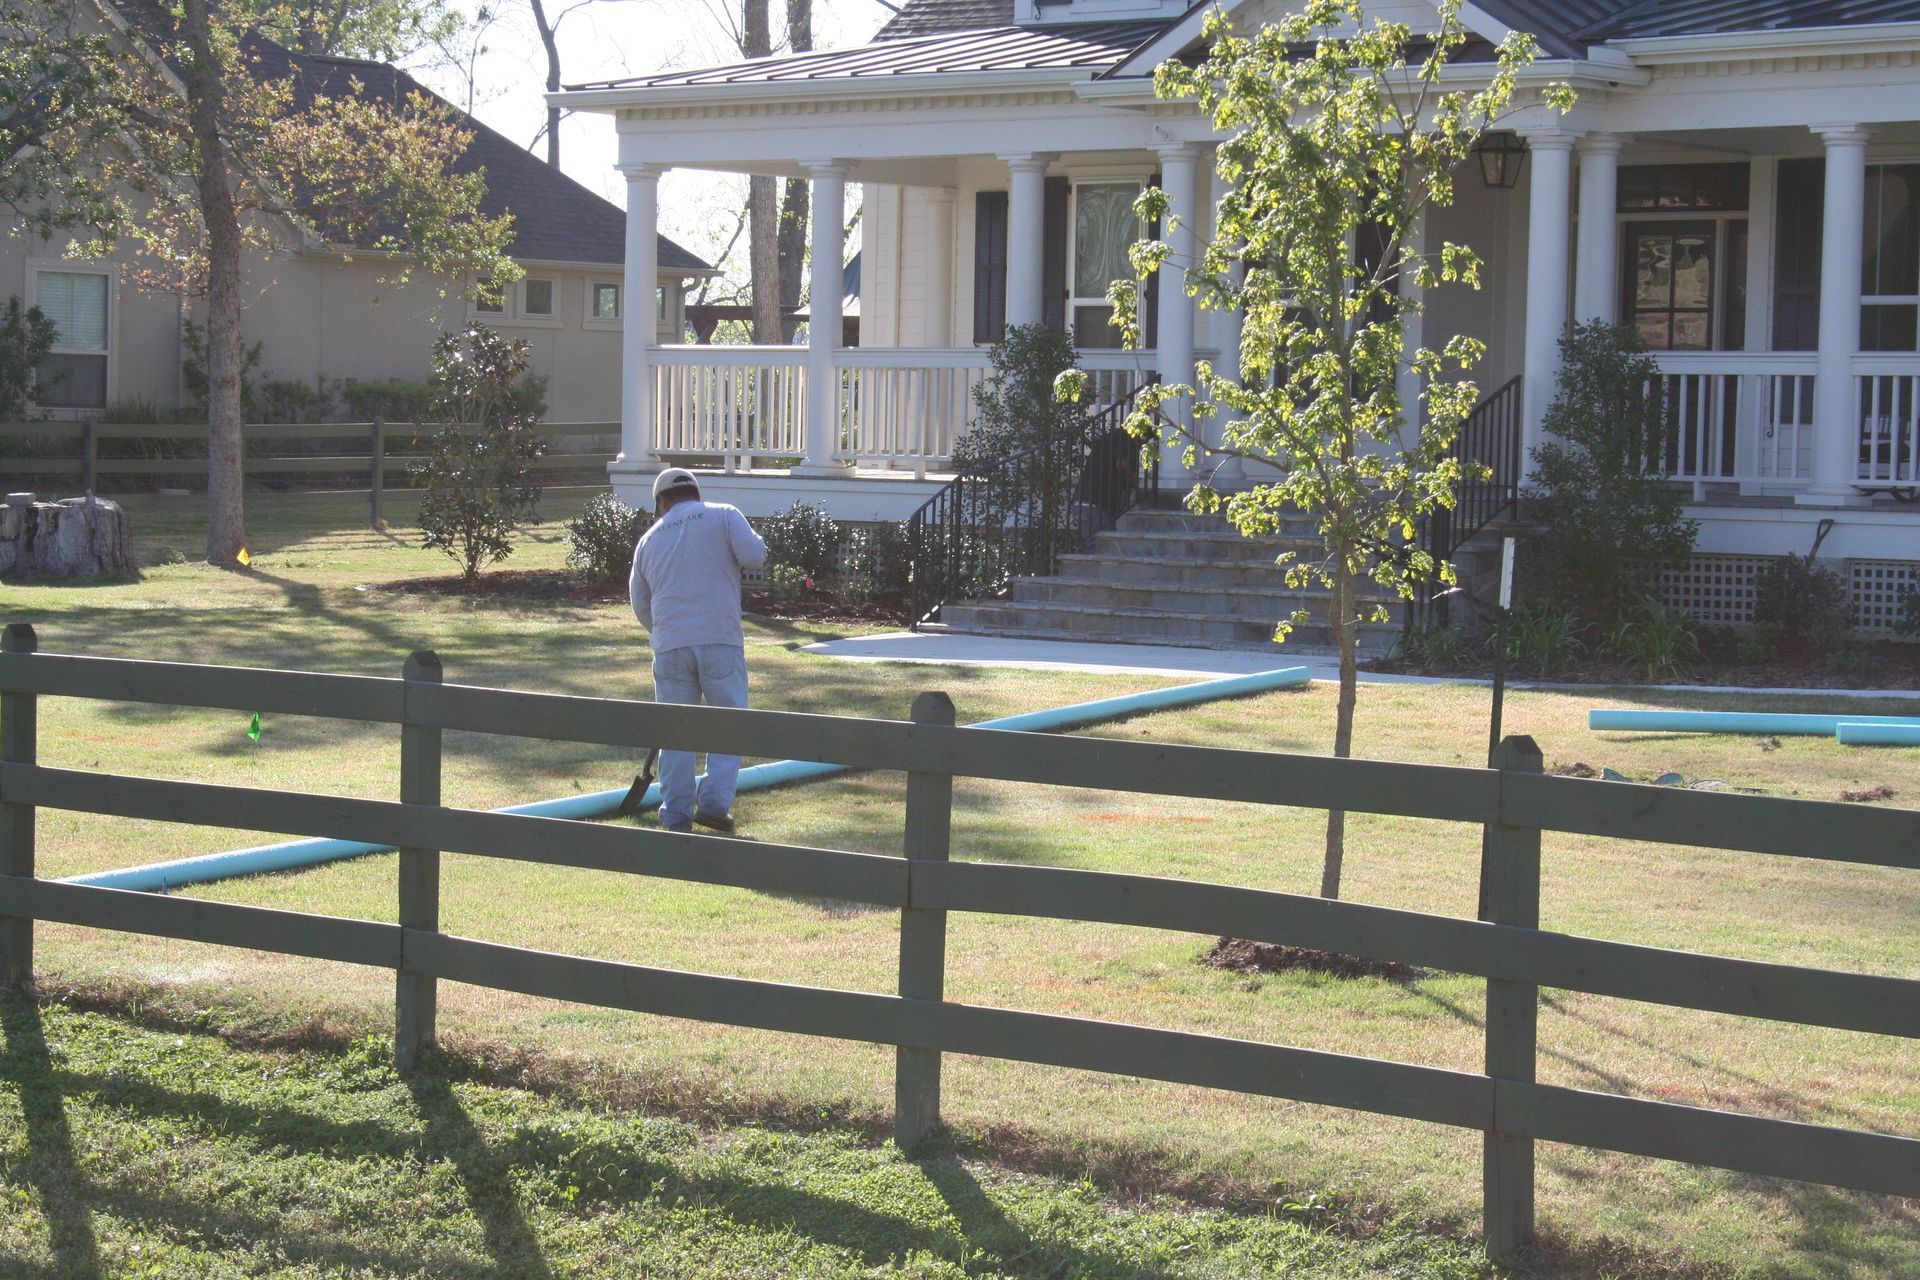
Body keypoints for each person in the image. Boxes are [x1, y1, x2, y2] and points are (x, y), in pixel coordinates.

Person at [629, 467, 768, 834]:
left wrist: (663, 632)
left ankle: (674, 814)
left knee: (676, 734)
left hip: (670, 646)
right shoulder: (723, 514)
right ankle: (712, 805)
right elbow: (755, 555)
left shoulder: (648, 540)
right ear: (696, 493)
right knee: (728, 726)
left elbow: (640, 602)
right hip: (720, 639)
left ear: (661, 501)